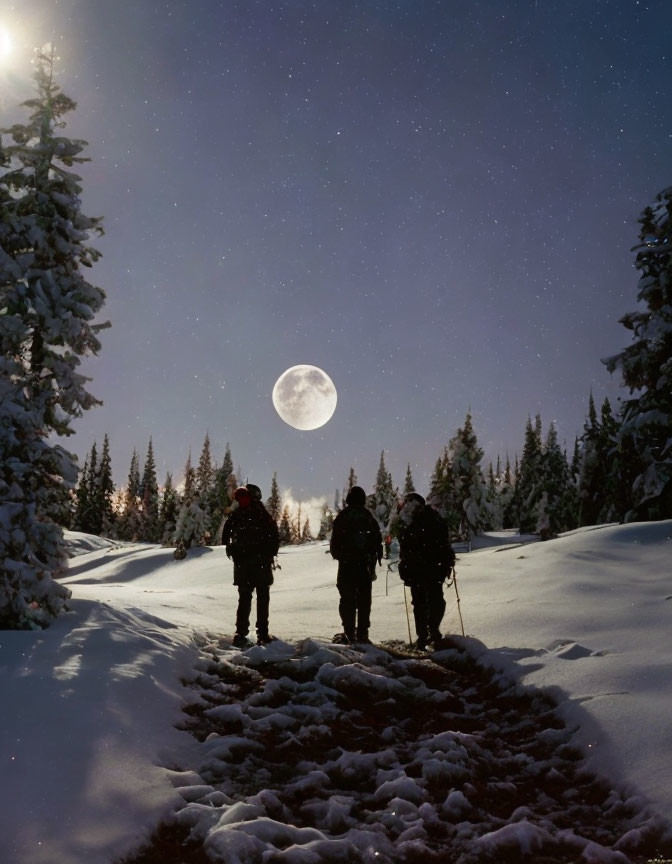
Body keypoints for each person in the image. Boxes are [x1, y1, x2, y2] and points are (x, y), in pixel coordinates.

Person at [222, 484, 279, 647]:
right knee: (262, 598)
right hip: (261, 563)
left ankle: (241, 633)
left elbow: (225, 536)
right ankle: (262, 633)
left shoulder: (237, 514)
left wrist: (234, 549)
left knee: (244, 598)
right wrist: (269, 554)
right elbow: (274, 536)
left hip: (243, 564)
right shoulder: (262, 513)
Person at [397, 491, 455, 650]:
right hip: (431, 569)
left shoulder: (415, 523)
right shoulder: (433, 520)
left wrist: (405, 567)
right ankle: (429, 633)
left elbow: (407, 549)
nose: (407, 508)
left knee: (422, 603)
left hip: (423, 570)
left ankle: (425, 636)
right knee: (431, 600)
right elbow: (445, 544)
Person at [329, 486, 383, 644]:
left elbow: (334, 546)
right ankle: (362, 633)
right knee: (364, 600)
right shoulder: (368, 517)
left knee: (347, 599)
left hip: (347, 566)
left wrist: (343, 556)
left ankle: (349, 632)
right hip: (364, 566)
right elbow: (376, 541)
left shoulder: (343, 517)